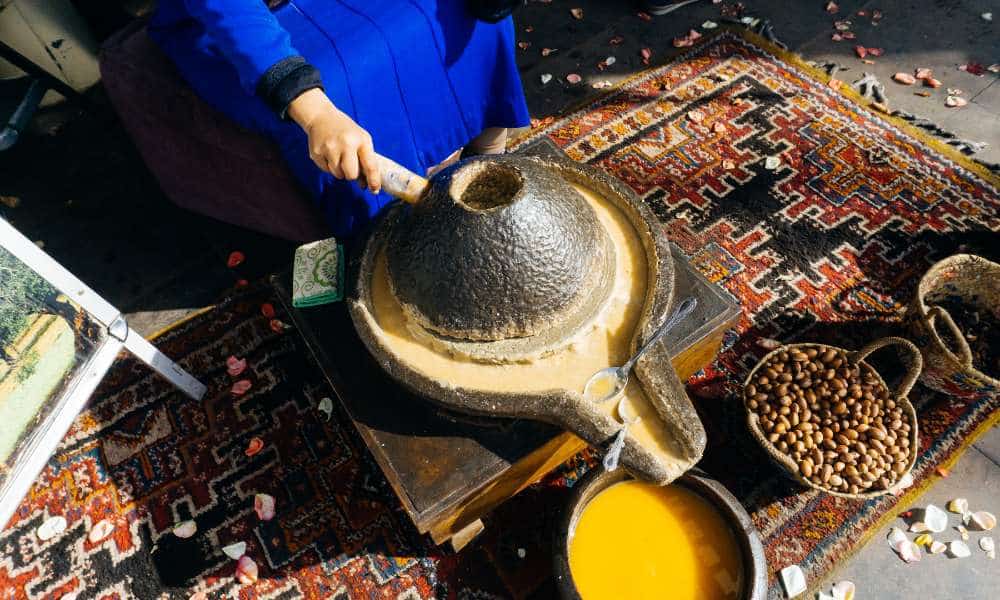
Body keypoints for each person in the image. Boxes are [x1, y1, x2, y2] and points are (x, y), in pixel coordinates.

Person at [148, 0, 530, 239]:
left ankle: (488, 156)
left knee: (469, 14)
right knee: (342, 87)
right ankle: (394, 234)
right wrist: (315, 112)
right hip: (228, 22)